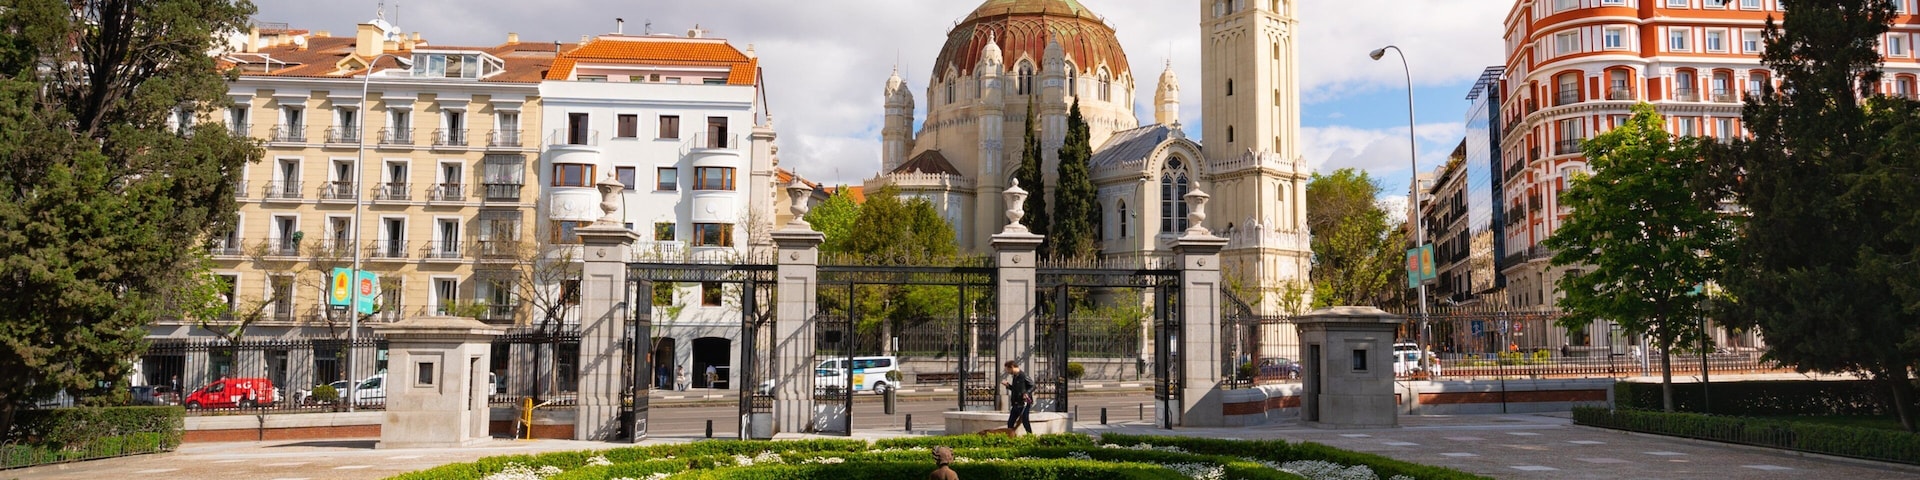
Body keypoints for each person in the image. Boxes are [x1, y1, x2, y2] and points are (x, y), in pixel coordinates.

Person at [1000, 360, 1033, 435]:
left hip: (1023, 403)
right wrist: (1008, 386)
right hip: (1016, 403)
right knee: (1010, 422)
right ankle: (1010, 437)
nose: (1007, 372)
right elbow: (1016, 390)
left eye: (1008, 369)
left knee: (1025, 421)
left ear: (1012, 367)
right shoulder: (1015, 376)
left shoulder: (1023, 376)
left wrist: (1027, 393)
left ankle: (1030, 436)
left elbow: (1033, 385)